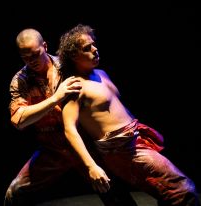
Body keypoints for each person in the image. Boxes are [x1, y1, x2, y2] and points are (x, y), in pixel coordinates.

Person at [57, 23, 200, 206]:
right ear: (74, 55)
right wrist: (91, 165)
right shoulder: (75, 86)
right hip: (123, 151)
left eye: (93, 44)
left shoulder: (101, 73)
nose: (95, 50)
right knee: (184, 191)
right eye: (87, 48)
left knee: (167, 193)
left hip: (137, 141)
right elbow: (69, 129)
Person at [4, 28, 138, 206]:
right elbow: (19, 120)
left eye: (35, 54)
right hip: (52, 148)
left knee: (112, 191)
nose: (31, 61)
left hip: (82, 143)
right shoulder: (21, 80)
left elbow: (98, 86)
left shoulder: (67, 66)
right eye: (25, 57)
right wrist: (55, 98)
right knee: (15, 193)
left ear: (44, 46)